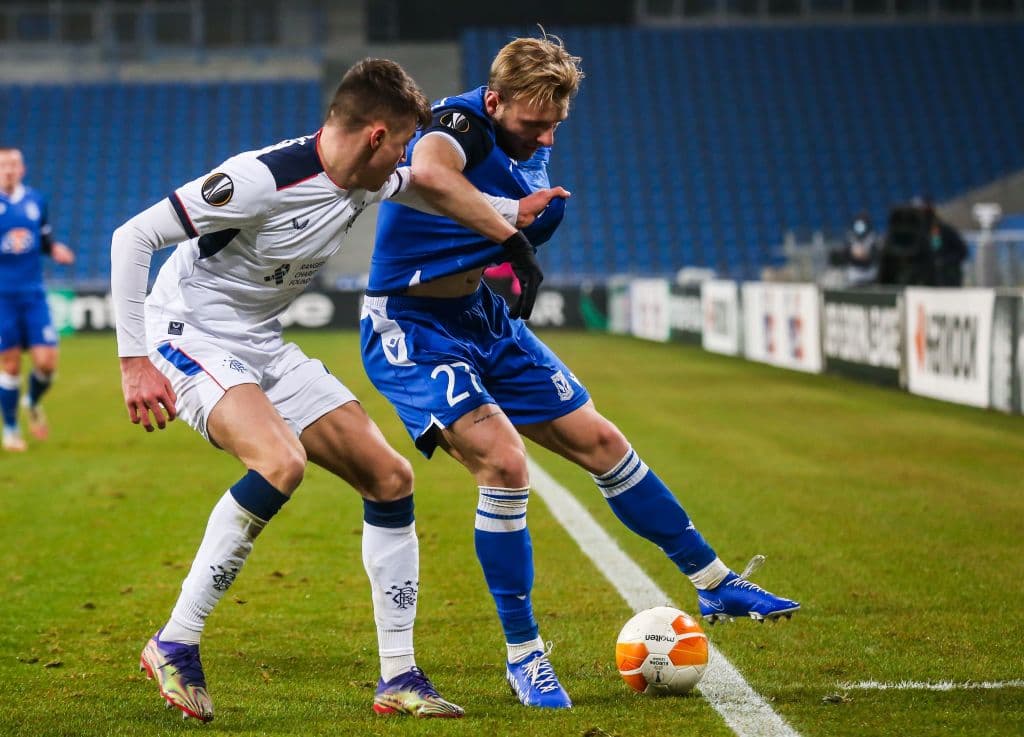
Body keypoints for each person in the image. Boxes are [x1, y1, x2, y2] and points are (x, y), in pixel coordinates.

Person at [110, 59, 565, 723]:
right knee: (280, 460)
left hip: (260, 340)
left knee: (390, 475)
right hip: (187, 333)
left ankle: (399, 676)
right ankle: (175, 640)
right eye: (406, 140)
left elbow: (425, 188)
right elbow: (134, 236)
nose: (409, 154)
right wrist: (133, 363)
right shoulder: (261, 178)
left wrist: (511, 217)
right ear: (375, 135)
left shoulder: (366, 175)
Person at [361, 33, 800, 710]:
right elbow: (430, 175)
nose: (543, 137)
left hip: (481, 317)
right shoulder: (457, 124)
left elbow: (499, 217)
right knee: (504, 464)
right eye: (531, 123)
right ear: (495, 98)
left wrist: (508, 247)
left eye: (554, 125)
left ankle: (715, 580)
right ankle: (525, 657)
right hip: (412, 327)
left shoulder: (533, 147)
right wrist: (511, 232)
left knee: (603, 442)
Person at [0, 147, 75, 452]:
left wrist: (55, 250)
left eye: (14, 164)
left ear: (22, 168)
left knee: (46, 363)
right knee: (11, 365)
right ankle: (11, 429)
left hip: (33, 293)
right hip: (2, 298)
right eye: (3, 164)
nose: (8, 169)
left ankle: (31, 400)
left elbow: (44, 239)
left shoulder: (35, 201)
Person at [831, 212, 881, 287]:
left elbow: (874, 256)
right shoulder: (850, 237)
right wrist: (854, 254)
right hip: (854, 275)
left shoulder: (872, 238)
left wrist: (865, 255)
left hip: (869, 275)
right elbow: (846, 255)